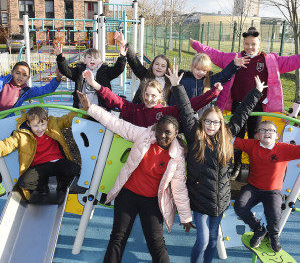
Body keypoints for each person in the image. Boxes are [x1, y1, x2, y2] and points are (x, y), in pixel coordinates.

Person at [77, 90, 194, 263]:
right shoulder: (144, 135)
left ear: (175, 134)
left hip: (152, 201)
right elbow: (117, 124)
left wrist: (185, 216)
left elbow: (179, 187)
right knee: (118, 237)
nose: (162, 135)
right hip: (128, 195)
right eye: (159, 131)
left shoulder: (176, 156)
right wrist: (90, 108)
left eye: (167, 133)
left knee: (157, 243)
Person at [167, 66, 266, 263]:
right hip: (200, 199)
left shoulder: (227, 137)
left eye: (216, 123)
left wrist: (256, 92)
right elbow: (186, 112)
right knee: (202, 241)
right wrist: (177, 86)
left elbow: (242, 114)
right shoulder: (195, 137)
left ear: (221, 124)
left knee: (213, 240)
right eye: (208, 122)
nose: (212, 126)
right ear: (202, 123)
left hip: (220, 200)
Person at [190, 27, 300, 180]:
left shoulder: (269, 60)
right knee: (237, 135)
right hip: (238, 104)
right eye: (247, 44)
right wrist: (197, 45)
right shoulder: (234, 58)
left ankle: (255, 166)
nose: (250, 47)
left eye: (253, 44)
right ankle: (236, 166)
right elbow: (214, 54)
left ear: (259, 43)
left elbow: (292, 61)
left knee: (256, 136)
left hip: (258, 105)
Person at [233, 120, 300, 252]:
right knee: (239, 206)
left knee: (274, 214)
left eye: (271, 130)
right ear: (257, 135)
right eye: (262, 130)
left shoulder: (284, 148)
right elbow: (232, 141)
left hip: (273, 191)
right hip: (253, 187)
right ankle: (258, 229)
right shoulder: (252, 145)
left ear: (276, 135)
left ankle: (273, 236)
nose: (266, 132)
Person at [0, 61, 62, 196]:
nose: (20, 77)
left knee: (4, 151)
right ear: (12, 73)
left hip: (4, 123)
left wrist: (57, 79)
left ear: (28, 78)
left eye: (24, 75)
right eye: (17, 73)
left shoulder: (25, 91)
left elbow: (45, 90)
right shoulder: (3, 82)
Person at [82, 69, 221, 127]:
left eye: (153, 95)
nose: (149, 99)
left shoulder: (167, 113)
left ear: (160, 96)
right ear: (142, 95)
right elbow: (114, 98)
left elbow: (189, 105)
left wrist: (213, 93)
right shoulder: (134, 110)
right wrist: (93, 83)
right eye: (146, 95)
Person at [0, 106, 80, 203]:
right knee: (24, 182)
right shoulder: (21, 134)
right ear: (28, 124)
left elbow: (68, 119)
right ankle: (43, 188)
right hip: (39, 166)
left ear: (47, 121)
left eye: (43, 124)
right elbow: (7, 144)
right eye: (36, 126)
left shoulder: (53, 124)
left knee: (74, 169)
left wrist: (85, 109)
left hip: (57, 161)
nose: (40, 129)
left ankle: (62, 186)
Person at [168, 53, 250, 113]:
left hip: (203, 117)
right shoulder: (184, 80)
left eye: (204, 70)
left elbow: (223, 75)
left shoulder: (209, 80)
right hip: (186, 116)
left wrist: (234, 65)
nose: (200, 72)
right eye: (198, 69)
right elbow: (175, 98)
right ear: (192, 67)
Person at [54, 43, 126, 109]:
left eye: (95, 58)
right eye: (89, 57)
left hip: (100, 109)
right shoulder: (79, 71)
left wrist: (122, 57)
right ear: (85, 60)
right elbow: (66, 71)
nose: (92, 59)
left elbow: (118, 70)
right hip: (82, 108)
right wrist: (60, 57)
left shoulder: (105, 71)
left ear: (100, 61)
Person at [114, 31, 172, 104]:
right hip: (143, 111)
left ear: (167, 69)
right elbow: (134, 61)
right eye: (157, 64)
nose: (159, 67)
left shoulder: (170, 81)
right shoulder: (146, 76)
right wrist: (124, 43)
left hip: (160, 112)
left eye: (163, 66)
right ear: (152, 65)